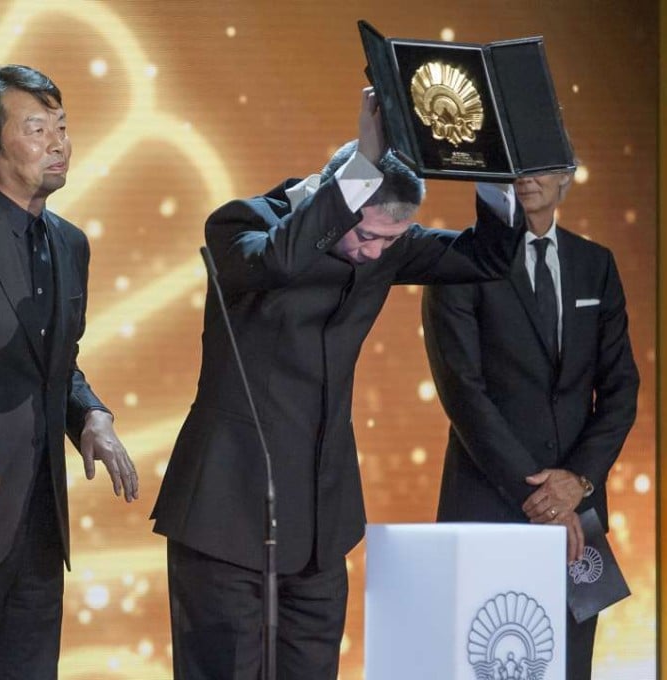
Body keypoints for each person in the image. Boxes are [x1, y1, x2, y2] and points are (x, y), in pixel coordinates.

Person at [150, 87, 527, 679]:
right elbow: (276, 261)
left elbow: (485, 259)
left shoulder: (387, 250)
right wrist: (363, 167)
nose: (374, 254)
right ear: (338, 197)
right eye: (366, 235)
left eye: (390, 242)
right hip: (226, 514)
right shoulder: (242, 225)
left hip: (322, 527)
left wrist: (493, 174)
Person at [0, 64, 139, 680]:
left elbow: (59, 359)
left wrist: (89, 414)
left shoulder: (71, 243)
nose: (58, 142)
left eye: (63, 126)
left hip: (44, 512)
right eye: (37, 127)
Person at [422, 167, 639, 679]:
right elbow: (463, 393)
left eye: (541, 163)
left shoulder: (596, 264)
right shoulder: (457, 261)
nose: (526, 177)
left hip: (579, 518)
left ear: (567, 175)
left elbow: (620, 388)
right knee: (479, 663)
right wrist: (542, 497)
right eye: (514, 163)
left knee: (570, 667)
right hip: (486, 507)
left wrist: (578, 481)